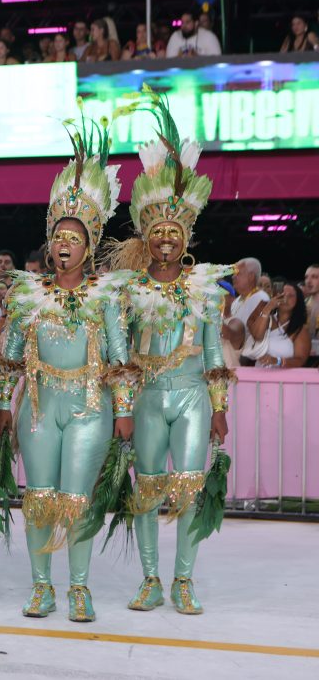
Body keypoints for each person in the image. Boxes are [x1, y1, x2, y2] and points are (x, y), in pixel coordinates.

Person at [0, 107, 138, 624]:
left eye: (74, 239)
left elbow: (120, 359)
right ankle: (42, 587)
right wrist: (1, 404)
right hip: (38, 408)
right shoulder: (28, 295)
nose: (64, 246)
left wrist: (124, 411)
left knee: (77, 499)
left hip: (89, 409)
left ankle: (78, 587)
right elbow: (9, 357)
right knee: (38, 498)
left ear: (90, 245)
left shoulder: (106, 297)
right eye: (59, 237)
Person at [104, 87, 234, 615]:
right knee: (147, 487)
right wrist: (123, 408)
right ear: (145, 235)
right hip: (148, 396)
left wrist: (220, 407)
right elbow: (119, 357)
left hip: (192, 396)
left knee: (189, 486)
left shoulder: (205, 288)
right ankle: (151, 578)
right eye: (156, 231)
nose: (164, 240)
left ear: (185, 238)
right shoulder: (128, 288)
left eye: (173, 232)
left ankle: (183, 579)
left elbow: (214, 352)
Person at [248, 282, 311, 368]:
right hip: (259, 374)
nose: (285, 298)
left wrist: (278, 361)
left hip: (284, 376)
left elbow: (301, 360)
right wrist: (267, 308)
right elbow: (257, 336)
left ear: (298, 301)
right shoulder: (266, 319)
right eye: (282, 294)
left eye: (290, 296)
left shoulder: (300, 329)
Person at [222, 257, 268, 363]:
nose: (233, 277)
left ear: (251, 276)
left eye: (237, 273)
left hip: (249, 360)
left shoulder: (262, 299)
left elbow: (258, 335)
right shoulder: (237, 300)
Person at [303, 264, 319, 357]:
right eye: (306, 277)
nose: (308, 281)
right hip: (305, 357)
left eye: (314, 277)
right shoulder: (302, 305)